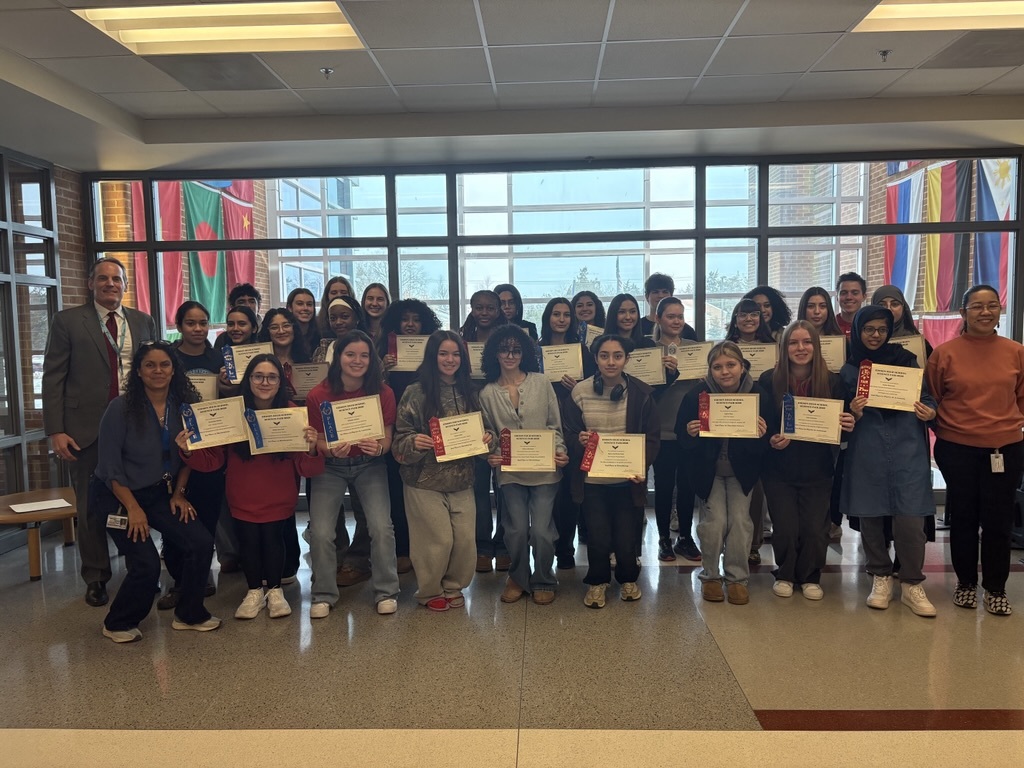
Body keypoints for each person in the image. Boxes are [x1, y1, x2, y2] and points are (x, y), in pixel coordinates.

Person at [42, 256, 158, 607]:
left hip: (136, 424)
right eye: (103, 278)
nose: (111, 284)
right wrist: (56, 430)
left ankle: (143, 568)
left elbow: (154, 370)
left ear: (125, 284)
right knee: (91, 506)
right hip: (85, 429)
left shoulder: (142, 321)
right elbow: (53, 377)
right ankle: (96, 577)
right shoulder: (67, 321)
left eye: (117, 279)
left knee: (139, 498)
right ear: (90, 283)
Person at [179, 354, 323, 620]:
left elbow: (306, 467)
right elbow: (212, 462)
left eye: (272, 377)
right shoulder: (232, 413)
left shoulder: (292, 412)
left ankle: (276, 590)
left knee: (272, 539)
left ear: (281, 382)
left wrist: (312, 447)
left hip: (279, 492)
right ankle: (255, 590)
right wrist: (189, 452)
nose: (265, 382)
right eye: (258, 376)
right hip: (242, 491)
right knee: (248, 541)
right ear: (249, 380)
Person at [92, 341, 219, 641]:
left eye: (165, 365)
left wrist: (179, 494)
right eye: (150, 365)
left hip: (160, 492)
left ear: (175, 370)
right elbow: (109, 467)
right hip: (116, 495)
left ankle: (190, 614)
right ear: (138, 371)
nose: (158, 371)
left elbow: (190, 455)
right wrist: (134, 509)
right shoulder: (120, 408)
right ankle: (118, 622)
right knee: (147, 563)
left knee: (200, 542)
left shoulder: (184, 407)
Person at [927, 285, 1024, 616]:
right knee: (964, 518)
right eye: (977, 306)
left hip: (1005, 449)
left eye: (992, 306)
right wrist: (949, 430)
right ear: (963, 312)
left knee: (998, 521)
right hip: (957, 449)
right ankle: (966, 582)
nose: (986, 312)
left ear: (999, 311)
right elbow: (934, 399)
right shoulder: (945, 353)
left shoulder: (1015, 352)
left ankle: (995, 587)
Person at [840, 306, 937, 618]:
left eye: (881, 329)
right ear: (858, 331)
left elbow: (928, 397)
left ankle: (911, 582)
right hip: (868, 448)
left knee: (911, 519)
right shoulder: (850, 368)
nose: (875, 335)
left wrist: (929, 411)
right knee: (870, 515)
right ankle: (880, 575)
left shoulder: (906, 361)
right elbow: (839, 415)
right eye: (869, 329)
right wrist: (852, 412)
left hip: (907, 447)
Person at [393, 330, 492, 612]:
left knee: (463, 540)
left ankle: (453, 585)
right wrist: (414, 441)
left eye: (456, 354)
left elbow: (490, 433)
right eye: (443, 353)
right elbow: (399, 440)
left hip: (462, 479)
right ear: (432, 356)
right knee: (438, 540)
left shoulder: (471, 392)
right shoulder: (415, 392)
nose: (450, 359)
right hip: (423, 480)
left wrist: (488, 439)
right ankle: (429, 590)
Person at [306, 331, 400, 617]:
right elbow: (315, 442)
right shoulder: (318, 394)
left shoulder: (383, 393)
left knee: (381, 527)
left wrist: (378, 448)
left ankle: (386, 591)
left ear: (372, 360)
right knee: (321, 532)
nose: (357, 361)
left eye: (364, 355)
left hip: (369, 465)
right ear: (338, 357)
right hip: (331, 467)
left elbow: (387, 439)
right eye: (350, 354)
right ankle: (322, 594)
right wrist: (330, 450)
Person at [561, 335, 659, 609]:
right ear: (596, 359)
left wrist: (641, 467)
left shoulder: (642, 394)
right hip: (592, 481)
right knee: (598, 536)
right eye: (604, 355)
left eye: (617, 355)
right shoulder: (579, 392)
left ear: (627, 359)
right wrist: (577, 440)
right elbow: (567, 432)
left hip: (628, 481)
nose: (611, 361)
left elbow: (651, 438)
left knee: (627, 538)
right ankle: (597, 582)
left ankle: (628, 579)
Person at [759, 321, 854, 600]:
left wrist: (849, 421)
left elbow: (843, 425)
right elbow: (760, 424)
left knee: (815, 528)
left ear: (816, 345)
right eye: (793, 343)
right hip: (779, 468)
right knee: (786, 527)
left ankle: (811, 575)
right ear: (784, 347)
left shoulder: (833, 381)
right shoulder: (768, 379)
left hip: (818, 468)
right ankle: (786, 573)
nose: (800, 348)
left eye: (807, 342)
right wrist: (771, 439)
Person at [479, 325, 568, 605]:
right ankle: (518, 577)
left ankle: (543, 578)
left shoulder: (542, 383)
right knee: (515, 530)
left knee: (542, 531)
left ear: (525, 353)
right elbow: (488, 433)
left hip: (545, 471)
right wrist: (490, 453)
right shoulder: (487, 393)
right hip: (509, 473)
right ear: (495, 353)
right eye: (504, 349)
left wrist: (560, 452)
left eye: (516, 349)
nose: (510, 355)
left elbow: (555, 425)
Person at [678, 342, 770, 605]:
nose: (725, 372)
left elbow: (770, 442)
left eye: (731, 365)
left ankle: (737, 579)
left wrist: (761, 435)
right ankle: (710, 576)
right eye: (717, 367)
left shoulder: (758, 395)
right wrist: (690, 432)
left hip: (743, 473)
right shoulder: (697, 395)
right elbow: (681, 436)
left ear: (742, 366)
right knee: (715, 522)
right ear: (709, 370)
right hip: (709, 473)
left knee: (740, 522)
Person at [158, 301, 225, 611]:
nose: (198, 329)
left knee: (206, 516)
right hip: (175, 444)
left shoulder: (218, 358)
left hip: (210, 446)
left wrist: (226, 386)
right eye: (190, 323)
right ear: (179, 325)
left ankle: (200, 577)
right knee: (175, 517)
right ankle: (178, 580)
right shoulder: (169, 358)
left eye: (203, 323)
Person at [377, 299, 444, 575]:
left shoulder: (432, 351)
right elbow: (371, 387)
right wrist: (383, 367)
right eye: (405, 319)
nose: (410, 324)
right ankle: (403, 549)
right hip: (395, 428)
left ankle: (431, 549)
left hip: (428, 426)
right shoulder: (384, 351)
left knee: (426, 492)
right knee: (396, 490)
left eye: (416, 319)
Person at [538, 296, 595, 569]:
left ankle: (565, 549)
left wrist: (579, 384)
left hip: (573, 428)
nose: (561, 319)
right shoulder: (535, 350)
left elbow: (595, 388)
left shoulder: (582, 351)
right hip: (542, 427)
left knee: (571, 491)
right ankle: (544, 546)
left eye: (566, 315)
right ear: (547, 317)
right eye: (556, 314)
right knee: (546, 491)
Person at [460, 290, 509, 571]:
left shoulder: (507, 339)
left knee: (504, 484)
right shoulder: (462, 339)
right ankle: (481, 546)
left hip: (502, 414)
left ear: (498, 309)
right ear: (472, 308)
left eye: (490, 307)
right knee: (478, 486)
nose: (484, 312)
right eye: (479, 307)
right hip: (471, 419)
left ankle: (503, 544)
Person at [650, 297, 701, 562]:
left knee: (687, 485)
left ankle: (685, 537)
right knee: (664, 486)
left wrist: (707, 376)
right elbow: (645, 392)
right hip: (663, 431)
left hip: (690, 430)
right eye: (670, 316)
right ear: (658, 319)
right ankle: (663, 539)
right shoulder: (648, 352)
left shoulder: (696, 349)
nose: (676, 321)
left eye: (680, 316)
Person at [725, 298, 774, 562]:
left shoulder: (774, 348)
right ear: (735, 319)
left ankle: (752, 545)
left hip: (762, 417)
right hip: (729, 420)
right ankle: (727, 544)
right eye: (743, 315)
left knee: (755, 489)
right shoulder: (726, 348)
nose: (748, 319)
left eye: (754, 314)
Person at [798, 286, 848, 541]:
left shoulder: (841, 342)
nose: (817, 312)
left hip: (829, 416)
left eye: (822, 306)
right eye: (811, 306)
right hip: (800, 420)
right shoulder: (792, 337)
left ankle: (830, 521)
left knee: (831, 471)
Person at [257, 307, 311, 399]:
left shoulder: (305, 360)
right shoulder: (259, 362)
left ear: (294, 328)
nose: (281, 331)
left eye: (286, 326)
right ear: (267, 331)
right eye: (274, 327)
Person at [641, 273, 699, 340]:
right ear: (647, 297)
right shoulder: (637, 328)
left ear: (671, 296)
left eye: (665, 292)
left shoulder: (687, 331)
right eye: (655, 292)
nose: (661, 296)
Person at [312, 295, 366, 364]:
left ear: (357, 319)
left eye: (344, 317)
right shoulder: (321, 351)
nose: (338, 322)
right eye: (333, 318)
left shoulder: (367, 349)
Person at [214, 283, 263, 350]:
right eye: (241, 302)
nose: (248, 305)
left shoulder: (268, 333)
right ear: (232, 307)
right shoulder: (223, 339)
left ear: (259, 306)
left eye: (252, 301)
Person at [315, 276, 355, 340]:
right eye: (334, 293)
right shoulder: (317, 323)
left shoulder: (359, 321)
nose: (339, 295)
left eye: (343, 292)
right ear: (327, 296)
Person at [286, 287, 320, 358]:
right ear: (290, 308)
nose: (305, 308)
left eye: (309, 304)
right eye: (300, 304)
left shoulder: (320, 334)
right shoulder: (285, 335)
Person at [835, 272, 866, 338]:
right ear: (837, 297)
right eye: (844, 293)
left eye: (855, 293)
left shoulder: (871, 325)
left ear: (864, 296)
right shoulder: (830, 326)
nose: (849, 297)